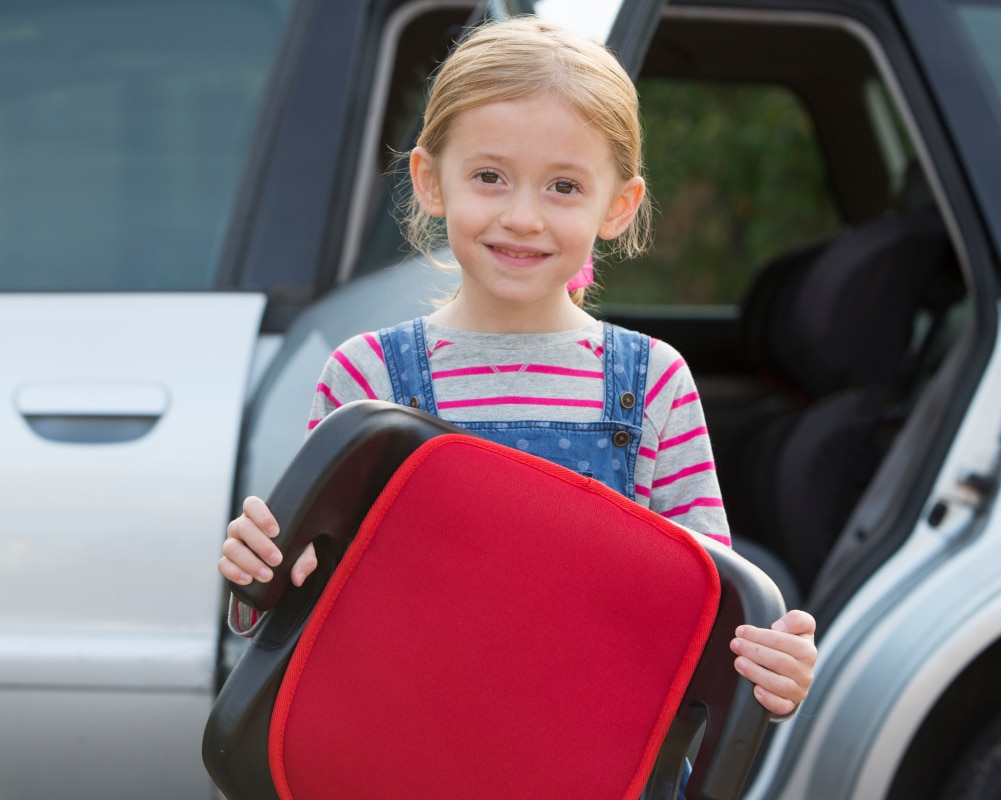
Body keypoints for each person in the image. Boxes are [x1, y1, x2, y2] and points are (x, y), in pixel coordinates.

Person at [218, 15, 816, 731]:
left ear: (617, 207)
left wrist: (771, 665)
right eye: (490, 177)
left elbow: (709, 618)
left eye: (563, 186)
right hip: (401, 752)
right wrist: (259, 575)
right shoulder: (367, 377)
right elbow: (288, 623)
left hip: (589, 757)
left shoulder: (653, 383)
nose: (523, 216)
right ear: (431, 180)